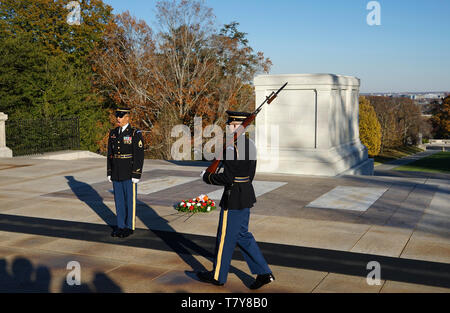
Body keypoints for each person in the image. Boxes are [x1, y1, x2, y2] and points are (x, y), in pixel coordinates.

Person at [195, 110, 274, 290]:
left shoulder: (232, 147)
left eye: (233, 124)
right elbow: (251, 173)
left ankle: (218, 276)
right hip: (245, 195)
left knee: (224, 238)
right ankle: (264, 273)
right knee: (242, 235)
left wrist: (207, 177)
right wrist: (242, 186)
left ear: (241, 126)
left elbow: (227, 178)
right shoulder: (250, 144)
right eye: (230, 124)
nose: (230, 127)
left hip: (233, 198)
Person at [107, 107, 144, 238]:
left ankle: (129, 227)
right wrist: (109, 171)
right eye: (117, 115)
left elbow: (139, 155)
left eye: (121, 116)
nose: (118, 118)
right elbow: (110, 154)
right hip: (116, 171)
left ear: (128, 117)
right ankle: (120, 226)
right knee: (119, 201)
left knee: (130, 200)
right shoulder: (113, 132)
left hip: (129, 172)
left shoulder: (134, 133)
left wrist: (136, 173)